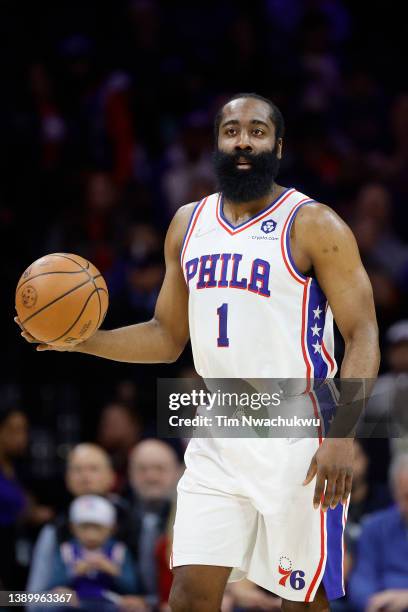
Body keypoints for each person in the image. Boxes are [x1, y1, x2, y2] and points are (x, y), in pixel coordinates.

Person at [17, 93, 380, 611]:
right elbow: (167, 338)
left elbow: (363, 331)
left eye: (257, 131)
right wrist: (80, 340)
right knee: (189, 593)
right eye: (231, 130)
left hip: (300, 432)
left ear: (278, 145)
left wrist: (344, 436)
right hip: (220, 430)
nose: (243, 142)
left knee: (302, 600)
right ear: (216, 142)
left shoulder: (313, 224)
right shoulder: (188, 224)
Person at [27, 443, 130, 595]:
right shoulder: (55, 529)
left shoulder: (132, 523)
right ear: (67, 478)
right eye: (77, 470)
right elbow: (31, 599)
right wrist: (59, 599)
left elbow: (155, 597)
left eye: (93, 469)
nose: (85, 476)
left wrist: (141, 602)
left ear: (112, 477)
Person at [46, 495, 138, 611]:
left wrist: (113, 571)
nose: (91, 534)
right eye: (84, 527)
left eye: (97, 528)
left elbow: (132, 587)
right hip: (75, 603)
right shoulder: (66, 550)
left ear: (112, 528)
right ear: (73, 528)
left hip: (111, 603)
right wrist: (74, 572)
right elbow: (53, 583)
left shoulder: (119, 551)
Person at [348, 454, 408, 611]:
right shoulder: (375, 527)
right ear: (395, 494)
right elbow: (361, 578)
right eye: (407, 497)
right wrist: (372, 601)